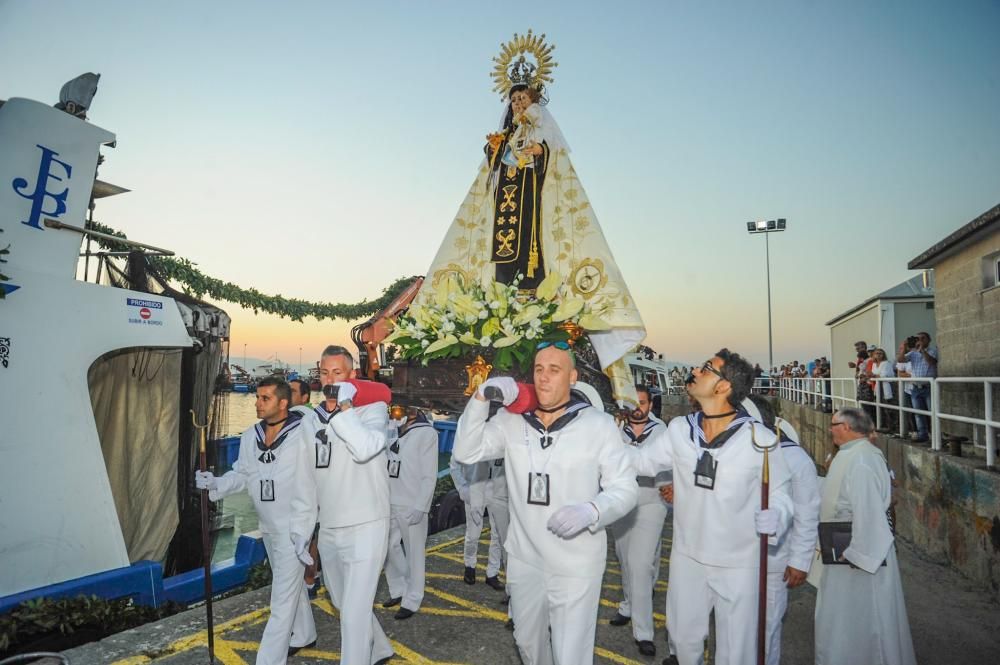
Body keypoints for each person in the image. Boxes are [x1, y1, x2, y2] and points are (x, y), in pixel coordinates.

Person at [416, 32, 645, 405]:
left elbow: (549, 160)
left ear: (534, 100)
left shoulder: (541, 129)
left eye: (523, 98)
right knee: (501, 259)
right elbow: (491, 175)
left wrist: (535, 153)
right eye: (514, 99)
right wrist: (495, 152)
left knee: (530, 257)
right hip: (505, 214)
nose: (519, 103)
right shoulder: (505, 135)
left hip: (532, 213)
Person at [453, 342, 638, 665]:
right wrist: (481, 398)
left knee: (571, 655)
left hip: (576, 563)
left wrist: (593, 510)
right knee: (526, 642)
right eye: (539, 369)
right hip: (525, 558)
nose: (544, 378)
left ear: (573, 377)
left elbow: (625, 488)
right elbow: (466, 452)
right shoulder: (513, 422)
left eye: (554, 370)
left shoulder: (598, 425)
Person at [630, 349, 794, 665]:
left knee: (736, 649)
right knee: (683, 638)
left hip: (739, 562)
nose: (695, 370)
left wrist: (777, 517)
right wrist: (593, 453)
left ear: (723, 387)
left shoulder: (759, 439)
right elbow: (640, 462)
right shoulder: (680, 429)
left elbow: (782, 496)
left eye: (707, 368)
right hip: (688, 556)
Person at [195, 377, 316, 664]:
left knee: (281, 600)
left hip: (294, 528)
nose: (257, 403)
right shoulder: (252, 435)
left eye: (265, 398)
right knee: (291, 587)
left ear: (283, 403)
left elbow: (314, 481)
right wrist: (216, 483)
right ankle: (304, 633)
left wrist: (306, 527)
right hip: (269, 526)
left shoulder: (305, 433)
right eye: (258, 397)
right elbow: (244, 474)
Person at [292, 346, 394, 665]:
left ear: (352, 376)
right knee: (340, 600)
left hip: (368, 523)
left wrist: (346, 407)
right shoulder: (309, 421)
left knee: (352, 614)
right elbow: (306, 481)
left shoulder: (373, 410)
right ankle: (379, 648)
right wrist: (301, 530)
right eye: (324, 373)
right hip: (331, 526)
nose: (330, 379)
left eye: (338, 373)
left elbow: (366, 448)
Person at [812, 408, 916, 665]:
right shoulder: (851, 455)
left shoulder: (861, 459)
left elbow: (868, 509)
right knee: (842, 619)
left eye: (833, 424)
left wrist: (858, 554)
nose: (829, 429)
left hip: (856, 557)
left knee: (864, 619)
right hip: (842, 552)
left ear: (846, 427)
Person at [746, 396, 820, 665]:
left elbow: (807, 512)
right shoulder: (736, 451)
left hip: (775, 560)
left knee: (766, 631)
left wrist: (800, 560)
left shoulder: (794, 457)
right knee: (735, 629)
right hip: (736, 558)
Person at [607, 384, 671, 658]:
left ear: (650, 406)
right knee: (624, 558)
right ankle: (628, 604)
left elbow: (672, 463)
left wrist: (672, 486)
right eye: (634, 403)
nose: (638, 408)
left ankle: (643, 633)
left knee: (640, 564)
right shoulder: (613, 430)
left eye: (643, 403)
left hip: (651, 501)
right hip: (621, 503)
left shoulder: (662, 431)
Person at [381, 407, 439, 619]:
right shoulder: (393, 428)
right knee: (387, 547)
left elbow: (429, 474)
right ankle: (398, 588)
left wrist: (422, 506)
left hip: (412, 501)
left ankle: (413, 598)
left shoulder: (426, 432)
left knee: (414, 552)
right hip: (390, 499)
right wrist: (389, 429)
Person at [448, 456, 509, 590]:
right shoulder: (470, 436)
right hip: (473, 488)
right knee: (473, 534)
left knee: (498, 535)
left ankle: (492, 574)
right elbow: (454, 464)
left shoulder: (501, 436)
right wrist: (462, 487)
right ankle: (470, 566)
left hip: (498, 489)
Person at [289, 378, 322, 596]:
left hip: (310, 487)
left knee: (310, 536)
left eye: (291, 391)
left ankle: (310, 579)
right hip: (293, 487)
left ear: (304, 397)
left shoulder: (308, 419)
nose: (286, 394)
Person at [896, 332, 938, 443]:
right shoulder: (912, 353)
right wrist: (904, 348)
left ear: (929, 340)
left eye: (923, 338)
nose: (920, 340)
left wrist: (922, 350)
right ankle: (922, 434)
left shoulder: (933, 350)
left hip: (929, 387)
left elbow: (931, 362)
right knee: (918, 413)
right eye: (918, 339)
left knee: (932, 412)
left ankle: (936, 436)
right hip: (915, 387)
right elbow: (900, 360)